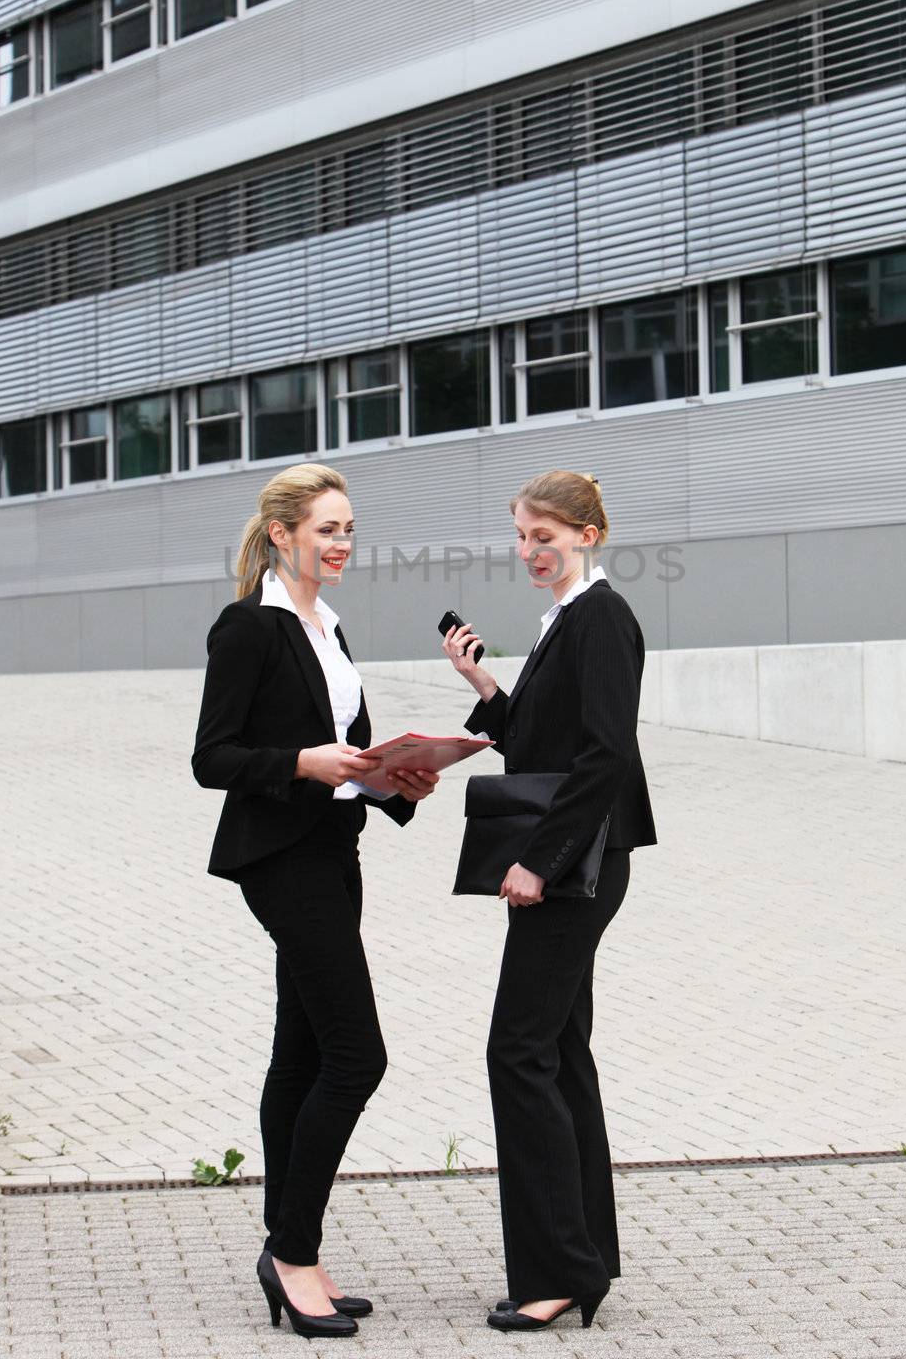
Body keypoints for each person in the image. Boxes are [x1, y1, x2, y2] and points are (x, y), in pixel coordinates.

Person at [192, 462, 439, 1341]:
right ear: (283, 533)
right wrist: (301, 761)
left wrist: (394, 781)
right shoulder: (249, 628)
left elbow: (347, 757)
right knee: (356, 1056)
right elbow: (212, 758)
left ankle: (288, 1248)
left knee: (298, 1056)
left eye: (348, 531)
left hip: (336, 852)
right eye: (326, 529)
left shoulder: (326, 628)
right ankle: (292, 1254)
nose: (340, 545)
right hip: (281, 859)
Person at [441, 469, 656, 1333]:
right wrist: (484, 689)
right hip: (571, 863)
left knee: (517, 1053)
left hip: (575, 867)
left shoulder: (601, 619)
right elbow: (536, 740)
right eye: (522, 537)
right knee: (558, 1056)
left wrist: (538, 860)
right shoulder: (566, 620)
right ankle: (581, 1263)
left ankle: (558, 1272)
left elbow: (603, 755)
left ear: (588, 535)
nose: (530, 551)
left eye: (545, 536)